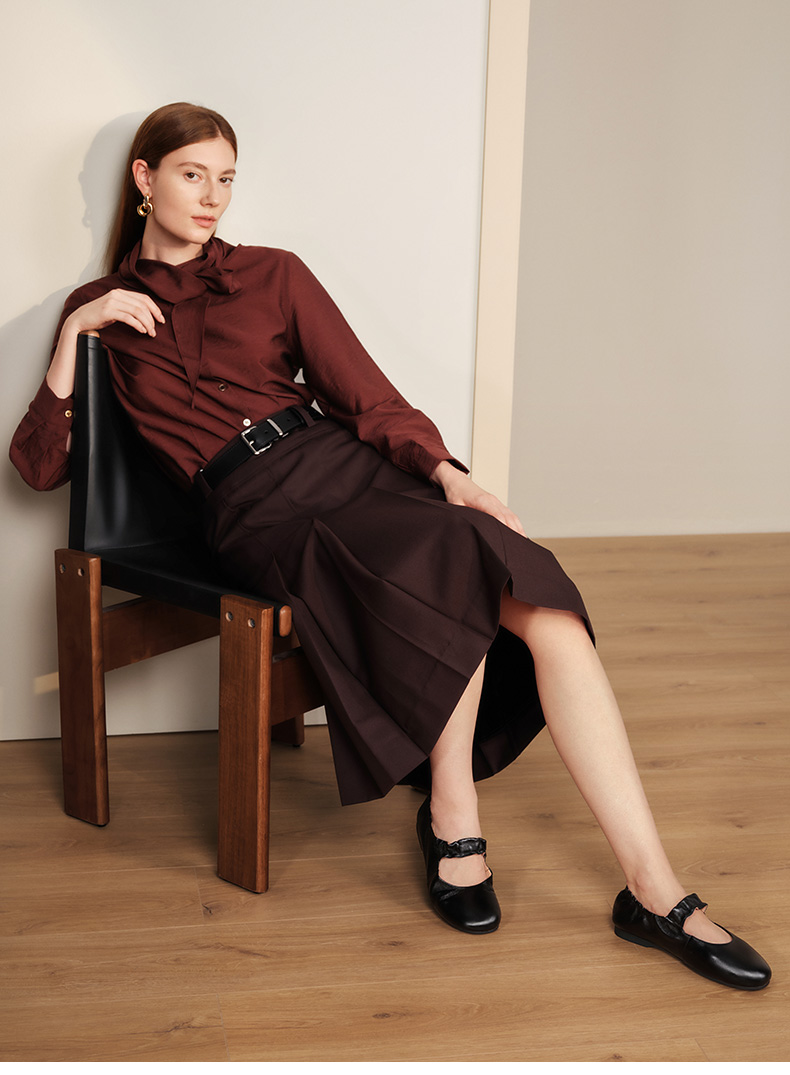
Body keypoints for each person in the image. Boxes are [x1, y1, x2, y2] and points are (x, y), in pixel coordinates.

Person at [11, 103, 770, 990]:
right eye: (193, 175)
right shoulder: (101, 313)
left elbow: (365, 395)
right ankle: (452, 814)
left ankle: (653, 888)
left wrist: (450, 474)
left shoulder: (274, 272)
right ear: (145, 178)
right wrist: (75, 332)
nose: (213, 196)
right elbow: (38, 467)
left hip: (345, 466)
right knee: (445, 571)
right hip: (258, 511)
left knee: (542, 601)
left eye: (226, 179)